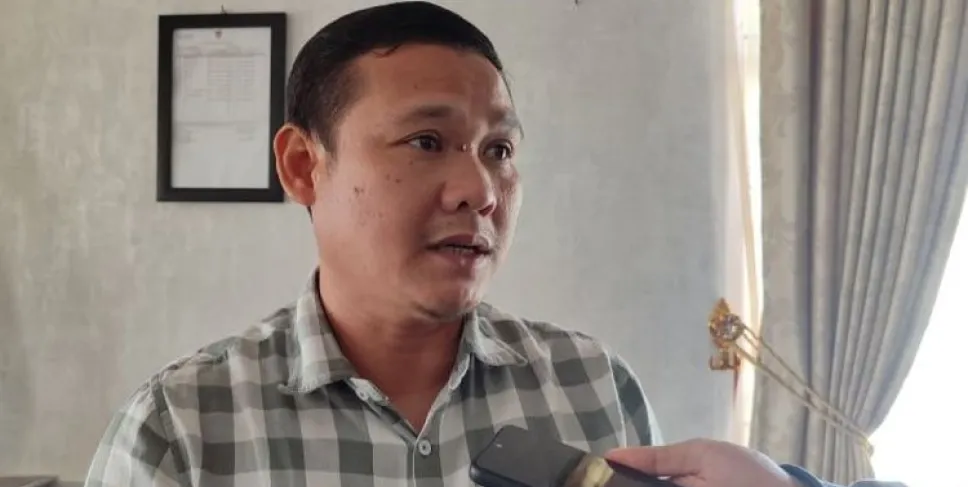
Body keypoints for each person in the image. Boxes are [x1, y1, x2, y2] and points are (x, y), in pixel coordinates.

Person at [84, 2, 883, 487]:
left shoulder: (594, 387)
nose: (479, 189)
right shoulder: (184, 429)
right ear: (303, 165)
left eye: (499, 149)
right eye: (426, 141)